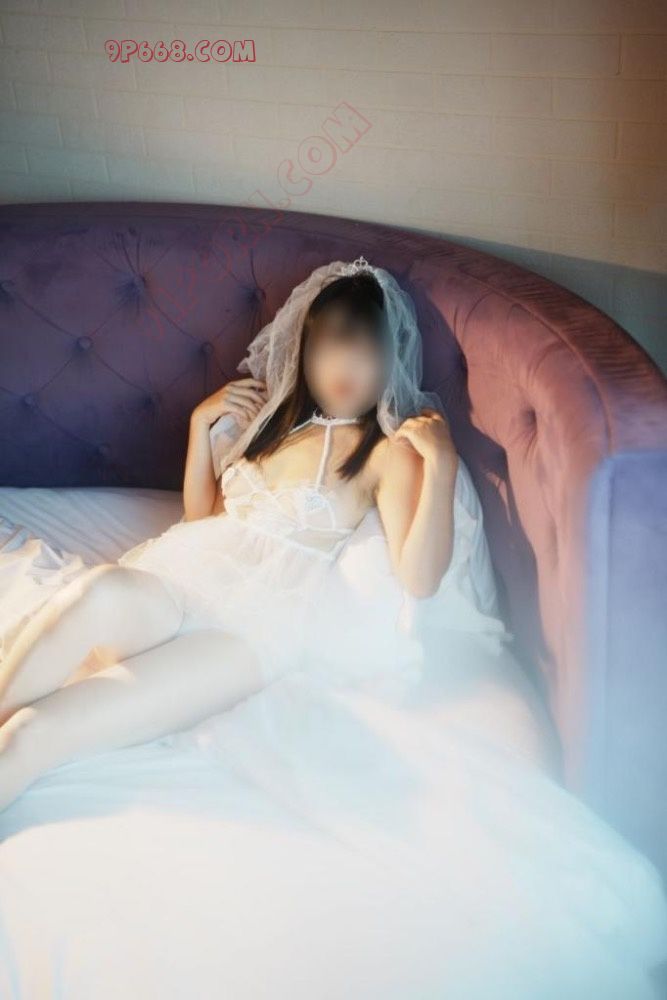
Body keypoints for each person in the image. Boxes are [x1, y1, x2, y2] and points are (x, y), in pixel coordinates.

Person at [0, 255, 458, 812]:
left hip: (248, 633)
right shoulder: (275, 425)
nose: (345, 366)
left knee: (33, 733)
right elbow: (203, 520)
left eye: (364, 350)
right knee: (97, 589)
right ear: (305, 353)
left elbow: (420, 578)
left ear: (389, 359)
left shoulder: (386, 453)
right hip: (186, 581)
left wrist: (443, 465)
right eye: (329, 348)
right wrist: (201, 425)